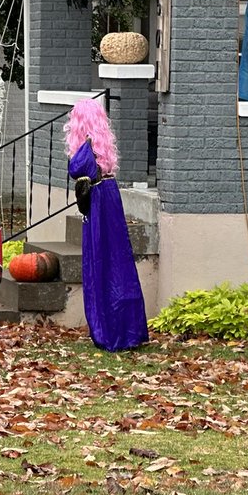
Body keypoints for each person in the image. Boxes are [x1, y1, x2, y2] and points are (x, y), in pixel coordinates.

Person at [64, 98, 148, 352]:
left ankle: (108, 330)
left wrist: (82, 144)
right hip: (109, 197)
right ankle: (127, 329)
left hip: (99, 204)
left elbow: (75, 169)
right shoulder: (101, 149)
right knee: (118, 260)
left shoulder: (86, 150)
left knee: (101, 262)